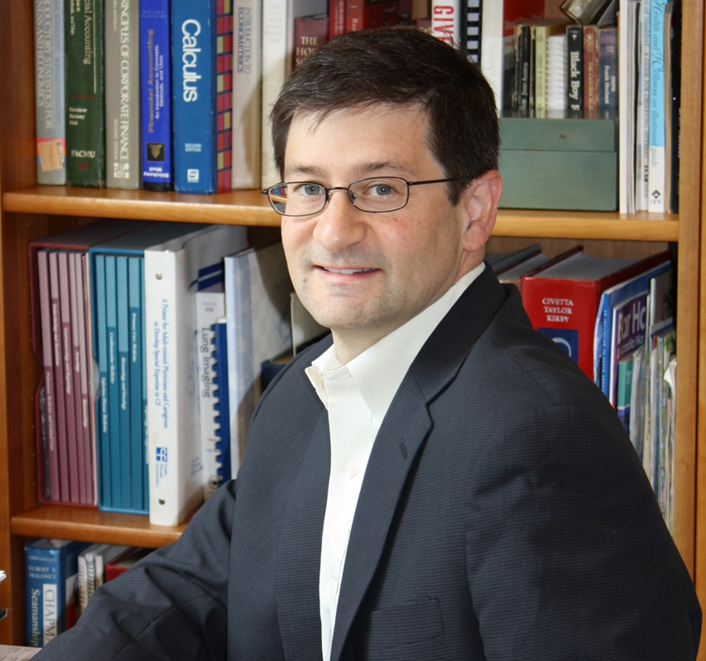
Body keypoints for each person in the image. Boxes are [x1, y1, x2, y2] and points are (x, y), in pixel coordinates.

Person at [37, 27, 700, 661]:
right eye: (307, 188)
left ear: (475, 211)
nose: (333, 230)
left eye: (380, 189)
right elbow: (183, 595)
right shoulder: (304, 396)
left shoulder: (536, 436)